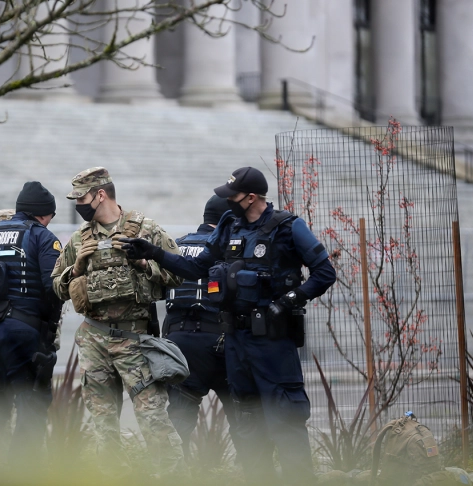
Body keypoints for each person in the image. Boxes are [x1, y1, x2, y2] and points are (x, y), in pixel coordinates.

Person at [121, 166, 337, 485]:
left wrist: (290, 300)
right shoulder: (229, 225)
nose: (229, 201)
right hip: (236, 340)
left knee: (285, 421)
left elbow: (324, 272)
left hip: (274, 342)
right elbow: (196, 267)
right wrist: (154, 253)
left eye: (233, 196)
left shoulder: (289, 228)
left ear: (251, 198)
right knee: (248, 425)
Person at [51, 167, 186, 477]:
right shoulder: (79, 239)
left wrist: (144, 264)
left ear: (101, 195)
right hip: (93, 339)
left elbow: (178, 273)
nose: (78, 205)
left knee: (153, 418)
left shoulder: (145, 230)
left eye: (81, 198)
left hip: (134, 339)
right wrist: (76, 269)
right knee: (102, 422)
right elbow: (56, 288)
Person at [0, 182, 63, 466]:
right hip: (24, 333)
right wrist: (48, 331)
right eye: (50, 216)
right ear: (43, 214)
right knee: (32, 405)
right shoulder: (42, 237)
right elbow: (53, 286)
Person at [163, 195, 240, 462]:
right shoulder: (231, 248)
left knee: (179, 423)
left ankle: (176, 476)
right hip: (221, 341)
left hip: (180, 344)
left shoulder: (177, 246)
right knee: (243, 419)